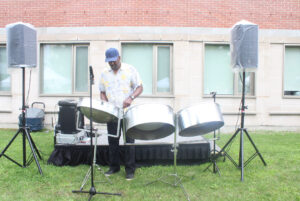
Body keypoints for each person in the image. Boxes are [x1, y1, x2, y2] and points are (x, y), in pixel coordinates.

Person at [99, 48, 143, 180]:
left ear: (119, 58)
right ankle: (114, 167)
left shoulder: (130, 70)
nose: (111, 64)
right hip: (112, 113)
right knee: (113, 141)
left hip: (127, 112)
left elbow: (140, 87)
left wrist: (131, 98)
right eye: (109, 62)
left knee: (129, 142)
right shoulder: (104, 73)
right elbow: (102, 91)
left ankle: (130, 170)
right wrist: (105, 103)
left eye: (113, 61)